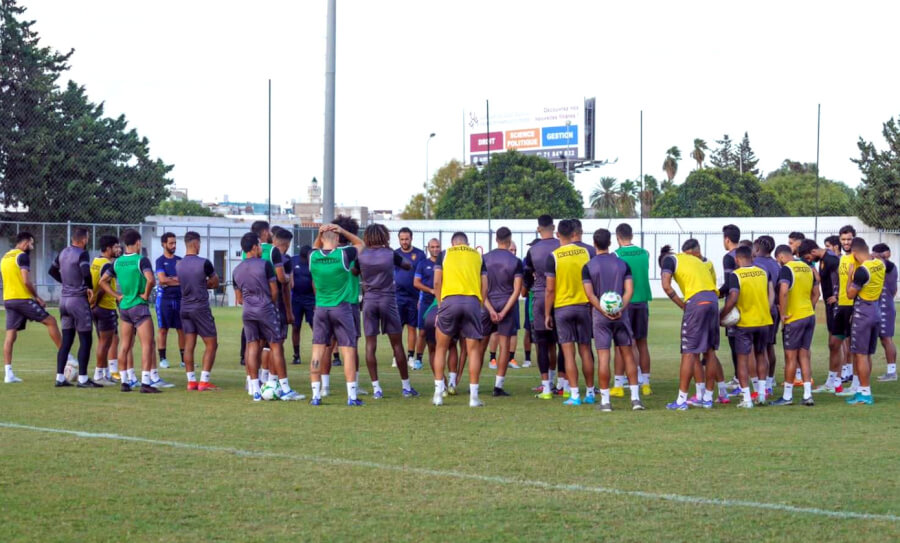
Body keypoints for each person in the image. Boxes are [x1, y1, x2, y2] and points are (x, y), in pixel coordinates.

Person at [233, 232, 303, 401]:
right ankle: (285, 389)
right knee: (276, 345)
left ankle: (255, 390)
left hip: (248, 312)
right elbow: (274, 291)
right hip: (265, 309)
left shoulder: (236, 270)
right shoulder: (265, 265)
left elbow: (239, 299)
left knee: (252, 346)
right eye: (259, 245)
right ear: (254, 247)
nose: (260, 249)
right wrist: (267, 304)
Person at [582, 228, 643, 411]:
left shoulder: (588, 266)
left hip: (600, 318)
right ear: (610, 243)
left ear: (594, 244)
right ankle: (635, 400)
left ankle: (606, 402)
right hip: (621, 316)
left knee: (603, 357)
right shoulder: (622, 264)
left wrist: (604, 310)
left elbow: (590, 294)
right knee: (628, 355)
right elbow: (629, 291)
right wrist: (620, 309)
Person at [356, 223, 418, 398]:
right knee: (397, 344)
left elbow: (353, 271)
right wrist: (390, 252)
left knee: (370, 345)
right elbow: (407, 266)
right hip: (388, 300)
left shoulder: (362, 255)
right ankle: (406, 387)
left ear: (367, 237)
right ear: (384, 236)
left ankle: (376, 388)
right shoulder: (390, 253)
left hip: (369, 300)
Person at [308, 223, 364, 405]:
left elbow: (316, 246)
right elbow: (360, 243)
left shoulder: (313, 256)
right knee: (348, 351)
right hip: (341, 308)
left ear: (322, 238)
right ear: (338, 239)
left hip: (321, 309)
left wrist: (320, 233)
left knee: (317, 351)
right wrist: (343, 230)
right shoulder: (343, 254)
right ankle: (352, 396)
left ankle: (316, 395)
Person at [660, 240, 719, 410]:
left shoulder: (670, 261)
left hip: (696, 301)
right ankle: (708, 398)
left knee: (688, 352)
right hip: (713, 300)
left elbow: (666, 286)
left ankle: (681, 401)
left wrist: (682, 305)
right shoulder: (695, 260)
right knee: (710, 351)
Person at [432, 232, 487, 407]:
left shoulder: (445, 253)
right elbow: (484, 284)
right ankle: (473, 397)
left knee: (441, 348)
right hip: (472, 302)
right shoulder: (477, 255)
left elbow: (436, 282)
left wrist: (440, 305)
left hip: (450, 301)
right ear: (467, 243)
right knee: (473, 351)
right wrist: (480, 304)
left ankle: (438, 394)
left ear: (452, 243)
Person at [2, 232, 62, 384]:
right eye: (31, 243)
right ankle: (66, 357)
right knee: (51, 321)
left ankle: (8, 373)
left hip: (8, 300)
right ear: (25, 243)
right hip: (22, 299)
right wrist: (37, 297)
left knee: (10, 336)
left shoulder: (5, 257)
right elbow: (26, 281)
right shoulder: (22, 256)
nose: (32, 247)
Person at [106, 229, 162, 393]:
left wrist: (117, 295)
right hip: (139, 305)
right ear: (138, 242)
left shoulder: (117, 262)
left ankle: (124, 381)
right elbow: (151, 279)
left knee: (125, 346)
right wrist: (145, 293)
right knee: (148, 344)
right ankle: (145, 383)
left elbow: (103, 281)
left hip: (124, 308)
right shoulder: (141, 260)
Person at [545, 219, 594, 406]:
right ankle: (590, 392)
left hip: (563, 307)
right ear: (574, 233)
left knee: (568, 353)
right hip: (583, 306)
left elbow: (550, 289)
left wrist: (547, 313)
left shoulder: (554, 256)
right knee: (585, 350)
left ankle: (574, 394)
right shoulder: (586, 252)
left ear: (558, 234)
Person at [721, 245, 775, 407]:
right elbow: (769, 292)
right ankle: (762, 394)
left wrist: (722, 315)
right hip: (764, 321)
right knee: (761, 355)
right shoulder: (763, 272)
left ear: (737, 259)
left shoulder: (736, 275)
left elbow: (733, 297)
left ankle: (746, 398)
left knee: (742, 360)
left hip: (745, 323)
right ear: (752, 257)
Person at [48, 227, 100, 388]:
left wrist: (66, 283)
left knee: (67, 340)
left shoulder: (63, 252)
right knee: (86, 339)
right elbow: (85, 271)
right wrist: (89, 287)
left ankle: (60, 378)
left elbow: (52, 271)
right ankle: (83, 379)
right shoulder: (82, 253)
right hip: (78, 300)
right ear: (84, 239)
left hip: (63, 300)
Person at [771, 243, 819, 406]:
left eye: (778, 260)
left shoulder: (787, 269)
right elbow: (816, 292)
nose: (779, 263)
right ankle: (807, 395)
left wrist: (783, 314)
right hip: (809, 316)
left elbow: (783, 291)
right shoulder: (807, 267)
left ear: (781, 257)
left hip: (794, 317)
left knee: (790, 357)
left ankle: (787, 396)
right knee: (804, 355)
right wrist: (809, 308)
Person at [480, 227, 523, 397]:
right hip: (507, 304)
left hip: (487, 305)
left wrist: (490, 309)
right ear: (509, 239)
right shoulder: (515, 261)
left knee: (479, 346)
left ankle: (474, 383)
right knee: (504, 346)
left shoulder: (484, 258)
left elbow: (480, 288)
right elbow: (517, 290)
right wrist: (504, 311)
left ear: (496, 239)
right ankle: (498, 386)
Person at [176, 231, 220, 391]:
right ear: (195, 244)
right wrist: (204, 284)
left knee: (189, 344)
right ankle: (204, 381)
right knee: (212, 344)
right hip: (200, 307)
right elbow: (215, 283)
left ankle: (191, 381)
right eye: (199, 244)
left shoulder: (178, 264)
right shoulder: (204, 263)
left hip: (184, 307)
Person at [524, 215, 561, 398]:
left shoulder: (533, 250)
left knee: (542, 343)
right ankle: (563, 384)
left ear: (539, 228)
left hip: (539, 297)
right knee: (563, 343)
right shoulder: (561, 246)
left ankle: (546, 386)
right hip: (561, 297)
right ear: (553, 227)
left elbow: (527, 273)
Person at [844, 237, 885, 405]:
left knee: (859, 354)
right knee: (867, 354)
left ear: (854, 253)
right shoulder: (880, 264)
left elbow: (850, 294)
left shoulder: (862, 271)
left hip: (863, 312)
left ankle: (865, 393)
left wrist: (849, 276)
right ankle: (863, 389)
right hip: (876, 310)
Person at [614, 222, 653, 396]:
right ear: (631, 235)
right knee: (642, 343)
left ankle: (619, 384)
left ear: (617, 237)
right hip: (643, 302)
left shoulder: (617, 254)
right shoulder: (645, 253)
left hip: (626, 302)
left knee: (621, 345)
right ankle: (645, 384)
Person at [810, 236, 846, 394]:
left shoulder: (834, 260)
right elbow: (824, 279)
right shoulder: (823, 261)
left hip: (840, 306)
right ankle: (833, 381)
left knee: (838, 344)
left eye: (829, 246)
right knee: (833, 344)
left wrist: (838, 296)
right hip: (830, 306)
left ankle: (839, 381)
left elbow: (845, 278)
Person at [89, 235, 121, 385]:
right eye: (115, 247)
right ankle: (99, 375)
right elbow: (103, 285)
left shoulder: (96, 261)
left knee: (108, 340)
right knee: (105, 342)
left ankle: (105, 372)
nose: (118, 249)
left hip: (96, 308)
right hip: (105, 307)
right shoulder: (108, 265)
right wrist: (97, 300)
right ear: (108, 248)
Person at [394, 226, 426, 368]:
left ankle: (410, 357)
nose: (404, 241)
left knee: (412, 327)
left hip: (414, 297)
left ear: (411, 239)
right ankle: (396, 356)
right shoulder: (394, 254)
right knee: (397, 329)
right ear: (399, 240)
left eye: (407, 239)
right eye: (402, 239)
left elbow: (424, 276)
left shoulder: (419, 254)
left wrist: (421, 297)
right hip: (398, 297)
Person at [753, 235, 781, 394]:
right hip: (773, 310)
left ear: (756, 249)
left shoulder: (755, 264)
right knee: (769, 346)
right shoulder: (776, 265)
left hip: (758, 311)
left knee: (757, 350)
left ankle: (759, 385)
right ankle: (769, 383)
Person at [155, 232, 184, 369]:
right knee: (163, 329)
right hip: (164, 299)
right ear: (163, 244)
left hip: (179, 298)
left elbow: (184, 279)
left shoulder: (180, 260)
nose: (174, 245)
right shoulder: (160, 261)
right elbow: (162, 280)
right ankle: (163, 358)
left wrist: (170, 280)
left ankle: (184, 359)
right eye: (171, 243)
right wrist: (175, 279)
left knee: (181, 329)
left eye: (175, 243)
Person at [835, 225, 858, 393]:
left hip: (853, 304)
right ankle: (847, 371)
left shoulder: (857, 259)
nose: (846, 242)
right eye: (843, 239)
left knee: (853, 343)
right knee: (842, 340)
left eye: (849, 239)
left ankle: (854, 378)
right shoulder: (842, 258)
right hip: (842, 303)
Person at [412, 238, 441, 370]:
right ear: (428, 248)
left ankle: (438, 358)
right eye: (432, 247)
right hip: (426, 302)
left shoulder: (444, 264)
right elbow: (416, 283)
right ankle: (418, 359)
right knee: (422, 332)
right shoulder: (423, 264)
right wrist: (430, 290)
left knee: (441, 332)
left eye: (437, 247)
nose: (435, 249)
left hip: (440, 302)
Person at [719, 224, 741, 386]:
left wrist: (716, 294)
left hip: (734, 304)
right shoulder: (747, 253)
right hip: (750, 303)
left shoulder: (729, 257)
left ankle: (739, 378)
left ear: (727, 239)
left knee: (735, 343)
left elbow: (728, 283)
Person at [872, 243, 897, 381]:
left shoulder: (889, 265)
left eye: (876, 254)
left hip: (885, 307)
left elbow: (882, 262)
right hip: (882, 305)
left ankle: (892, 372)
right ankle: (891, 371)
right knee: (884, 339)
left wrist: (877, 257)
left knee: (887, 339)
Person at [290, 244, 315, 365]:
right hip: (296, 299)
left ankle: (318, 353)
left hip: (311, 299)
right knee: (295, 327)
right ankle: (296, 355)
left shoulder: (314, 262)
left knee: (315, 326)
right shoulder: (293, 260)